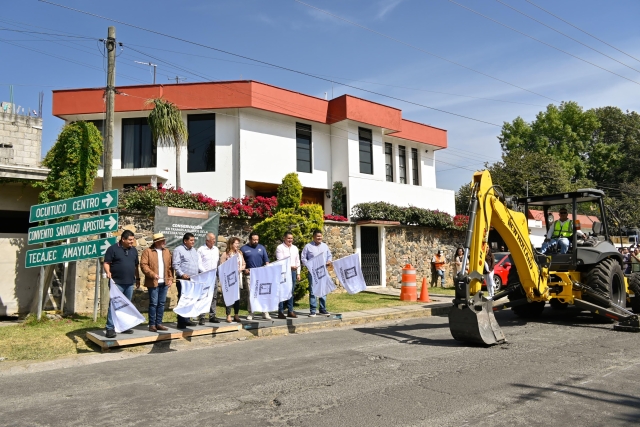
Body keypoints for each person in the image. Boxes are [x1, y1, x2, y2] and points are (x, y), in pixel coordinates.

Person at [103, 230, 140, 338]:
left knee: (126, 305)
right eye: (130, 240)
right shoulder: (113, 249)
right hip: (116, 283)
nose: (132, 242)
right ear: (123, 239)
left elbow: (135, 266)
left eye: (133, 239)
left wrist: (137, 278)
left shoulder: (134, 251)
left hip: (129, 283)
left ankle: (123, 326)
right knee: (114, 305)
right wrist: (108, 272)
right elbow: (106, 263)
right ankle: (110, 328)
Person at [140, 233, 174, 332]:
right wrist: (152, 274)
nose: (165, 242)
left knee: (161, 303)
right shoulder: (148, 251)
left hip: (164, 282)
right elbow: (143, 265)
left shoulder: (167, 251)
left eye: (164, 240)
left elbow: (170, 267)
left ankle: (159, 323)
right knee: (154, 303)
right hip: (153, 282)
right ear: (157, 242)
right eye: (163, 241)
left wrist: (171, 278)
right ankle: (152, 324)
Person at [301, 229, 333, 317]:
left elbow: (329, 255)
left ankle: (322, 309)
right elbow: (303, 258)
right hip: (313, 272)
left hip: (323, 272)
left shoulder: (325, 246)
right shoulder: (308, 246)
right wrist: (308, 265)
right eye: (317, 236)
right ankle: (313, 310)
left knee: (323, 290)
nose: (319, 238)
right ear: (313, 237)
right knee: (313, 290)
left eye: (320, 236)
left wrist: (329, 261)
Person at [172, 232, 200, 329]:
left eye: (193, 240)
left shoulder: (193, 250)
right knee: (183, 300)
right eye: (191, 240)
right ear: (185, 241)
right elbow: (175, 264)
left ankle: (187, 319)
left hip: (193, 279)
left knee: (190, 300)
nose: (193, 242)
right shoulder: (178, 250)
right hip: (183, 280)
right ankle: (181, 321)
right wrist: (182, 274)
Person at [240, 232, 270, 320]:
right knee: (251, 293)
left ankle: (265, 312)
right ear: (250, 239)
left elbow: (266, 261)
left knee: (263, 293)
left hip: (261, 274)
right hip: (249, 274)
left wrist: (267, 269)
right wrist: (244, 269)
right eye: (254, 240)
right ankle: (251, 313)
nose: (256, 241)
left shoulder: (262, 247)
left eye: (257, 239)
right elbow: (241, 262)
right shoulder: (243, 249)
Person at [220, 236, 246, 323]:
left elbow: (244, 264)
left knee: (237, 297)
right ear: (231, 244)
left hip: (238, 277)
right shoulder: (226, 254)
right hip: (229, 279)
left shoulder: (239, 253)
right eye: (236, 243)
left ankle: (236, 315)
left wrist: (241, 268)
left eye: (238, 243)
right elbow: (221, 266)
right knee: (229, 297)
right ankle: (228, 315)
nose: (238, 245)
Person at [275, 231, 300, 319]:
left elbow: (298, 261)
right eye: (288, 238)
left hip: (293, 272)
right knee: (281, 291)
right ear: (284, 238)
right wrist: (290, 267)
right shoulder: (280, 248)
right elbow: (280, 261)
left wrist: (298, 273)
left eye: (291, 238)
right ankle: (280, 311)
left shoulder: (295, 248)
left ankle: (290, 311)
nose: (290, 240)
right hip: (283, 272)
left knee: (291, 292)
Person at [197, 232, 220, 324]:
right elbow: (199, 264)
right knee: (203, 296)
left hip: (214, 276)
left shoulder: (216, 249)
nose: (214, 241)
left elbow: (217, 263)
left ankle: (212, 316)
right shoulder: (201, 250)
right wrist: (206, 272)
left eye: (214, 239)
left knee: (214, 296)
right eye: (212, 239)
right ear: (207, 240)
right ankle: (202, 317)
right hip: (204, 276)